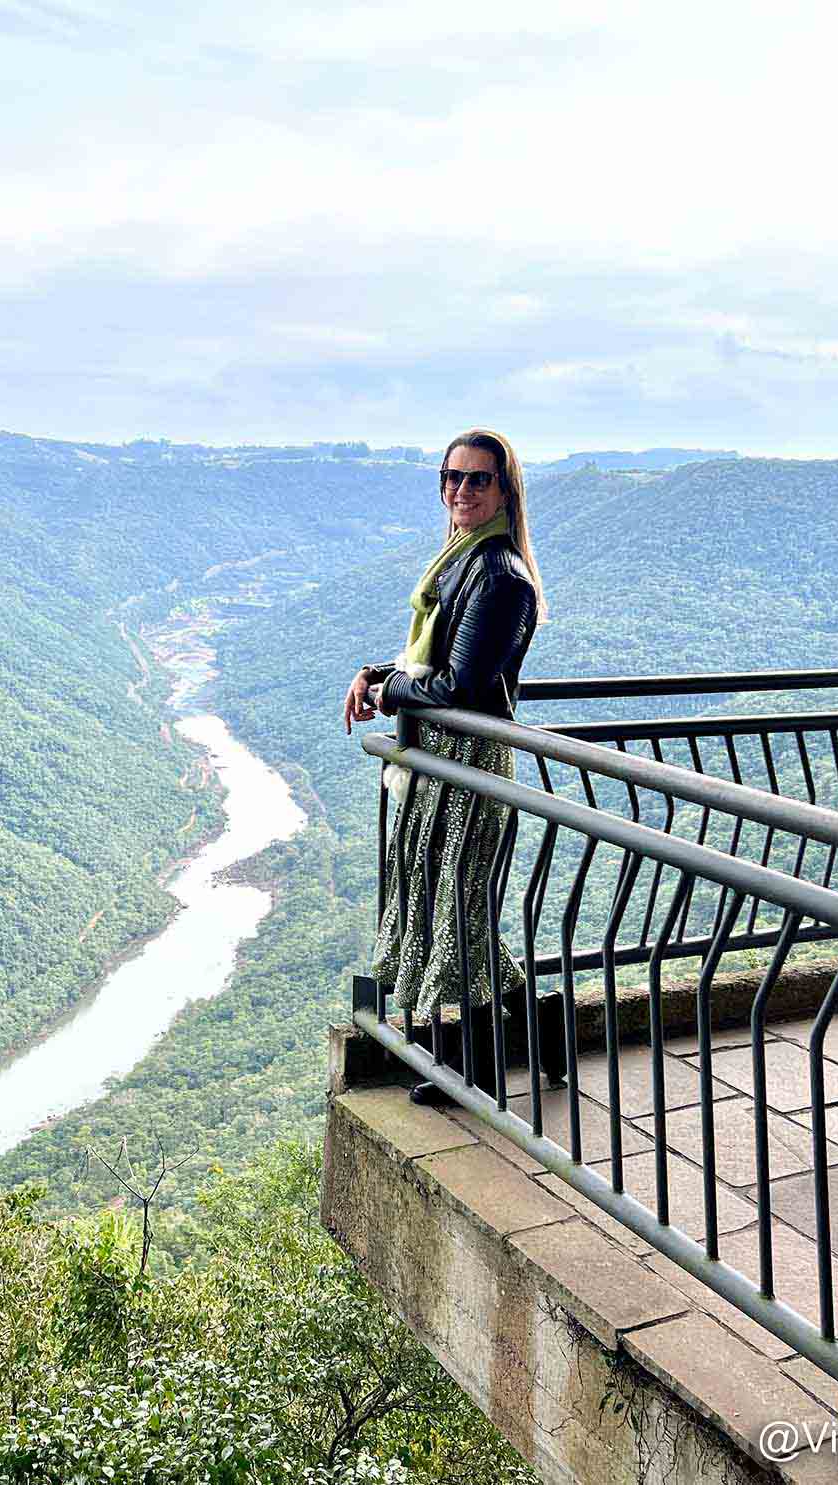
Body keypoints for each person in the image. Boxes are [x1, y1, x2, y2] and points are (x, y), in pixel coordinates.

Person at [341, 428, 549, 1105]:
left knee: (457, 912)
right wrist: (375, 673)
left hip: (470, 764)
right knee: (452, 909)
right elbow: (431, 662)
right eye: (451, 476)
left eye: (477, 479)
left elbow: (457, 686)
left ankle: (477, 1073)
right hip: (443, 764)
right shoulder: (460, 561)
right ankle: (543, 1032)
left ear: (504, 491)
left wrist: (384, 690)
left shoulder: (498, 576)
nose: (460, 489)